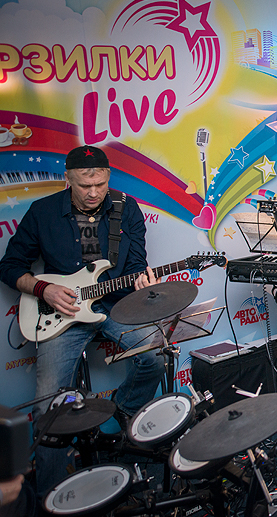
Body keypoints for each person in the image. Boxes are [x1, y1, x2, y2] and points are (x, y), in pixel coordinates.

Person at [0, 145, 165, 496]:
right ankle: (51, 495)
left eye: (100, 184)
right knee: (49, 406)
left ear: (109, 178)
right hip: (63, 314)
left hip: (114, 305)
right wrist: (43, 289)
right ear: (68, 180)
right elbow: (9, 266)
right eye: (84, 186)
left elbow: (136, 264)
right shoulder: (42, 212)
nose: (93, 193)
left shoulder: (126, 208)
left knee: (154, 356)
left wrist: (141, 278)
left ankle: (119, 417)